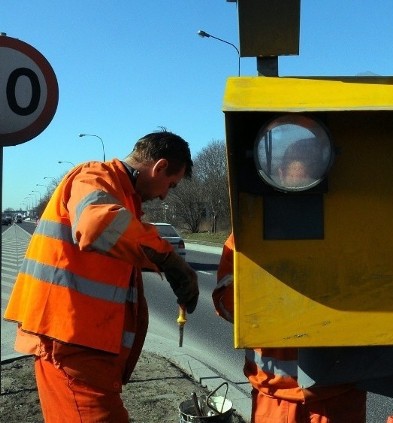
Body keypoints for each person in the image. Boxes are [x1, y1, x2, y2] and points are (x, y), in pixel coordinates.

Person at [3, 129, 199, 423]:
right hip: (68, 345)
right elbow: (97, 225)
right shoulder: (94, 175)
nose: (164, 195)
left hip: (83, 346)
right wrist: (170, 261)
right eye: (169, 185)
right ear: (158, 167)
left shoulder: (122, 196)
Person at [213, 234, 366, 423]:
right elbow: (225, 300)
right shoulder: (249, 226)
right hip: (283, 396)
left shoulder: (252, 224)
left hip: (333, 395)